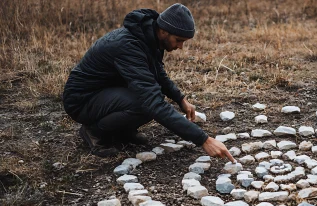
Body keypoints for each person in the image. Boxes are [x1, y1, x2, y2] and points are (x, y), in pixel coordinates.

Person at [62, 3, 234, 162]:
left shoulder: (150, 38)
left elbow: (157, 72)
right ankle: (94, 131)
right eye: (179, 40)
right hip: (82, 100)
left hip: (106, 91)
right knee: (146, 103)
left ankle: (120, 131)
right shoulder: (128, 46)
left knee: (149, 101)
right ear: (164, 31)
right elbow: (153, 102)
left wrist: (180, 99)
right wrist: (203, 140)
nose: (180, 46)